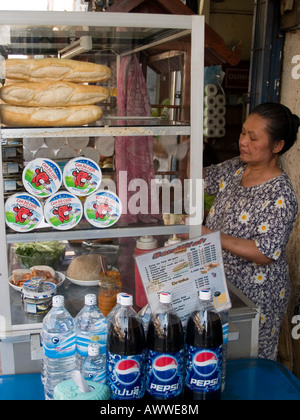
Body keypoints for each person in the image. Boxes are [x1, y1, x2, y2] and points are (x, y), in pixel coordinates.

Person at [202, 102, 299, 360]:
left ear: (277, 146)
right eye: (243, 132)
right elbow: (199, 179)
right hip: (221, 287)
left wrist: (211, 237)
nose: (243, 141)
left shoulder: (280, 194)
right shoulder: (236, 167)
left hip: (256, 296)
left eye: (253, 137)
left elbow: (264, 252)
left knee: (244, 362)